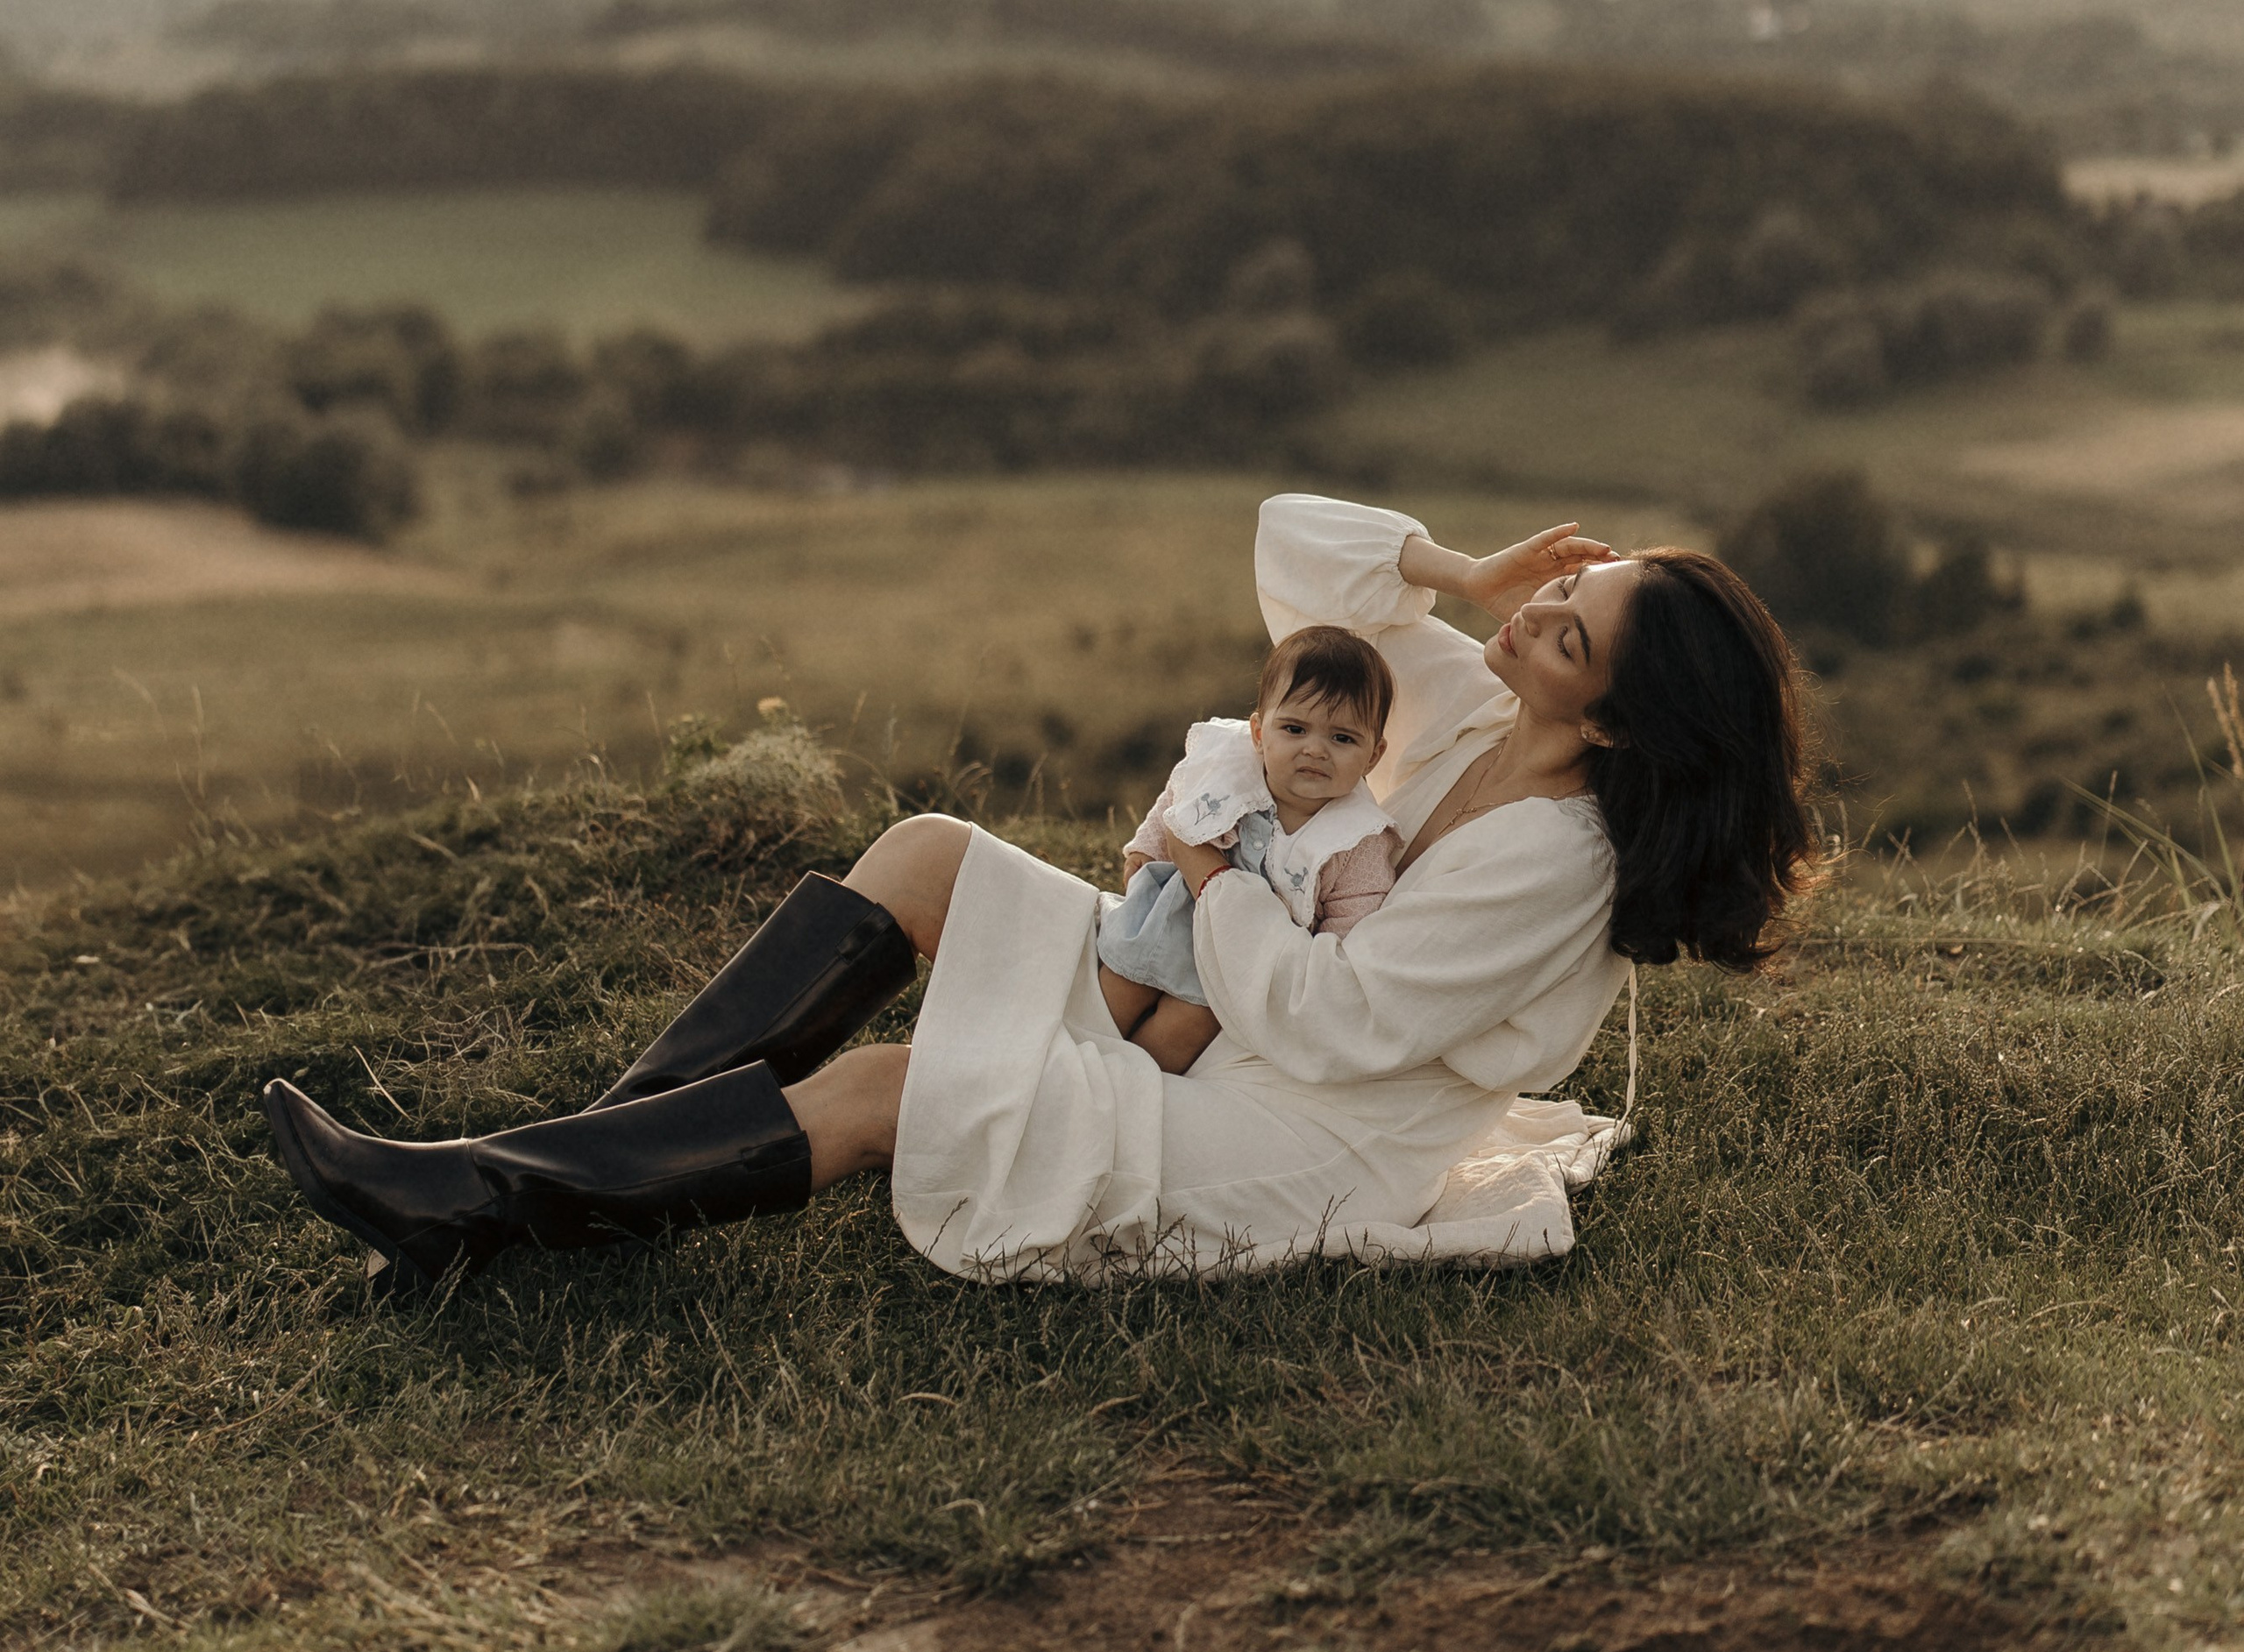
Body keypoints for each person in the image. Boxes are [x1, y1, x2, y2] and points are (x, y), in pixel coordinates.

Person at [261, 493, 1820, 1293]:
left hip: (1287, 1138)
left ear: (1618, 721)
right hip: (1221, 1015)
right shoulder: (1481, 705)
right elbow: (1300, 559)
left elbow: (1342, 1023)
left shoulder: (1560, 858)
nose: (1540, 611)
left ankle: (478, 1206)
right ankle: (564, 1176)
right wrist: (1464, 568)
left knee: (884, 1087)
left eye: (1570, 630)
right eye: (1566, 584)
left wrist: (1213, 877)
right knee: (932, 848)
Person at [1095, 622, 1400, 1077]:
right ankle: (1076, 1056)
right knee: (1117, 985)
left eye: (1342, 738)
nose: (1315, 750)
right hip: (1170, 910)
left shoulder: (1356, 840)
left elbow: (1355, 914)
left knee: (1187, 1025)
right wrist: (1147, 848)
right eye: (1295, 729)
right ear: (1259, 733)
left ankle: (1128, 1084)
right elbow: (1182, 800)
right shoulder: (1231, 766)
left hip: (1237, 965)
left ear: (1373, 755)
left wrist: (1322, 955)